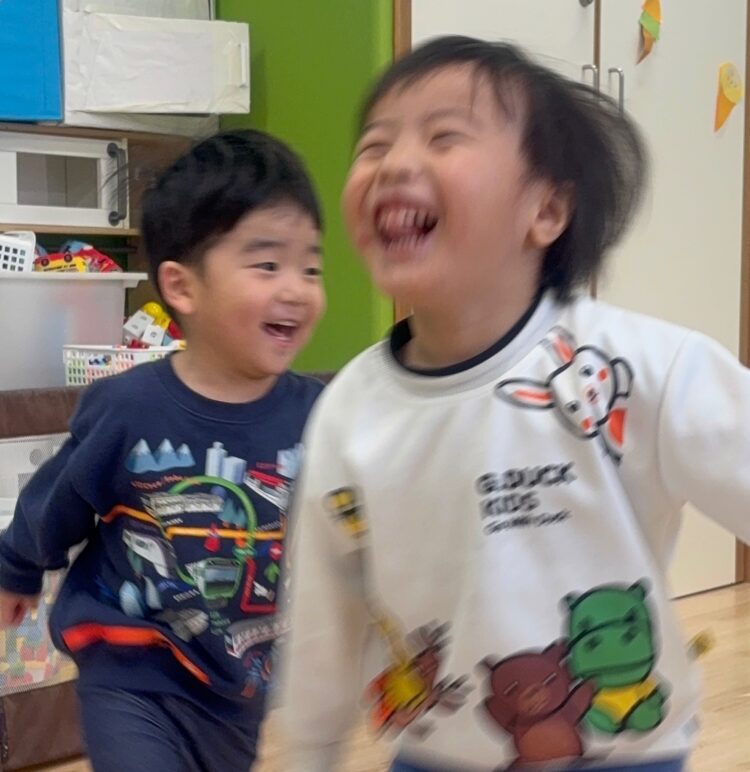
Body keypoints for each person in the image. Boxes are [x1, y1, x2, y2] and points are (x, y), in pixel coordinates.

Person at [280, 35, 750, 772]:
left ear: (547, 209)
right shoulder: (349, 412)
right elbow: (324, 608)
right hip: (434, 758)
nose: (394, 163)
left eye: (444, 137)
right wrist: (308, 750)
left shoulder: (636, 367)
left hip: (624, 756)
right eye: (374, 145)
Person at [0, 129, 326, 772]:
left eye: (311, 267)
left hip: (238, 682)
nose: (296, 288)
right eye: (267, 265)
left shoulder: (318, 415)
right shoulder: (129, 407)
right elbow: (58, 497)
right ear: (182, 287)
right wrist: (17, 566)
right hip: (131, 666)